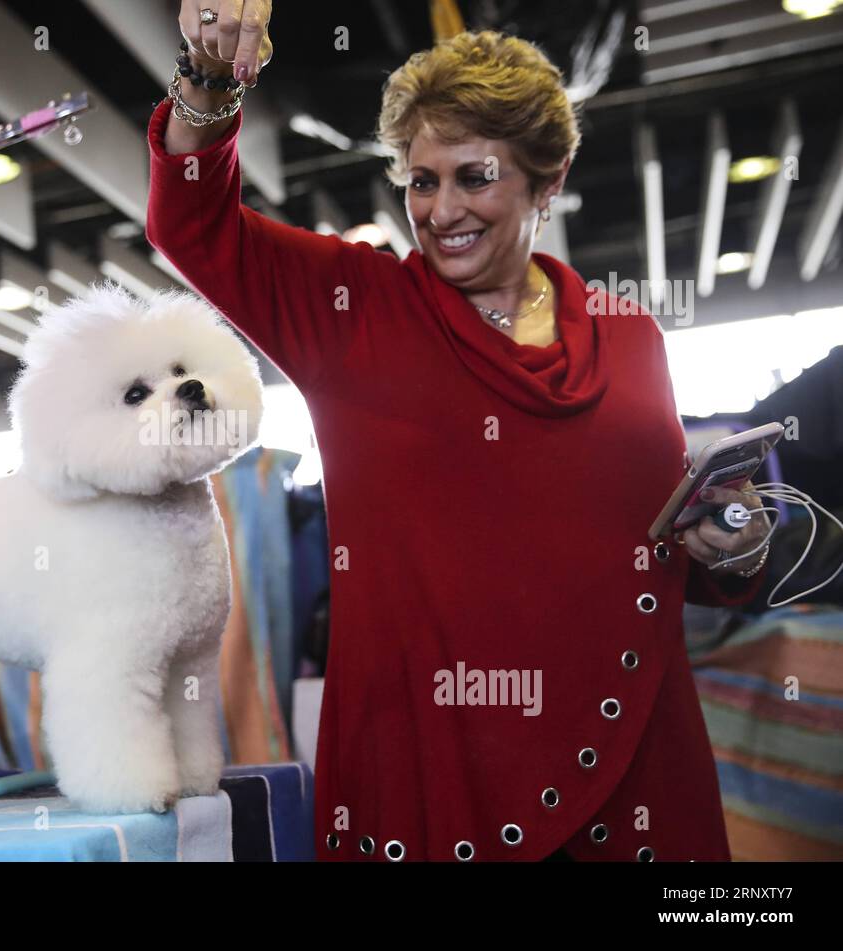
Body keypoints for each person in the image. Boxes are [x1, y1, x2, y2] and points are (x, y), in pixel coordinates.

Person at [147, 2, 771, 861]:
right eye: (420, 179)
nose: (440, 211)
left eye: (474, 177)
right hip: (429, 769)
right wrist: (211, 79)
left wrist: (729, 542)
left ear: (547, 183)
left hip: (631, 759)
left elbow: (652, 552)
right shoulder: (353, 310)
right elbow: (192, 225)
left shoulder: (631, 338)